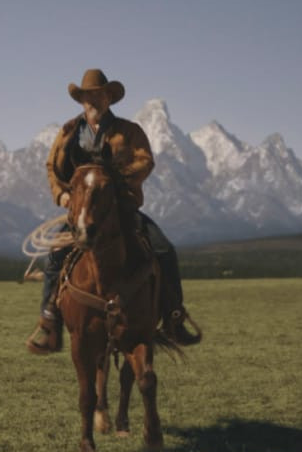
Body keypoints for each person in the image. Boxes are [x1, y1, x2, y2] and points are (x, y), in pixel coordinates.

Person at [26, 68, 201, 355]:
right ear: (81, 100)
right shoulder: (69, 132)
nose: (93, 101)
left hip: (121, 209)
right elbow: (51, 167)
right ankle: (50, 321)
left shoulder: (129, 131)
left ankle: (173, 316)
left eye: (98, 95)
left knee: (164, 250)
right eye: (87, 96)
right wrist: (64, 194)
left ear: (109, 98)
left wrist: (118, 182)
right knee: (55, 256)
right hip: (80, 210)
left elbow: (145, 161)